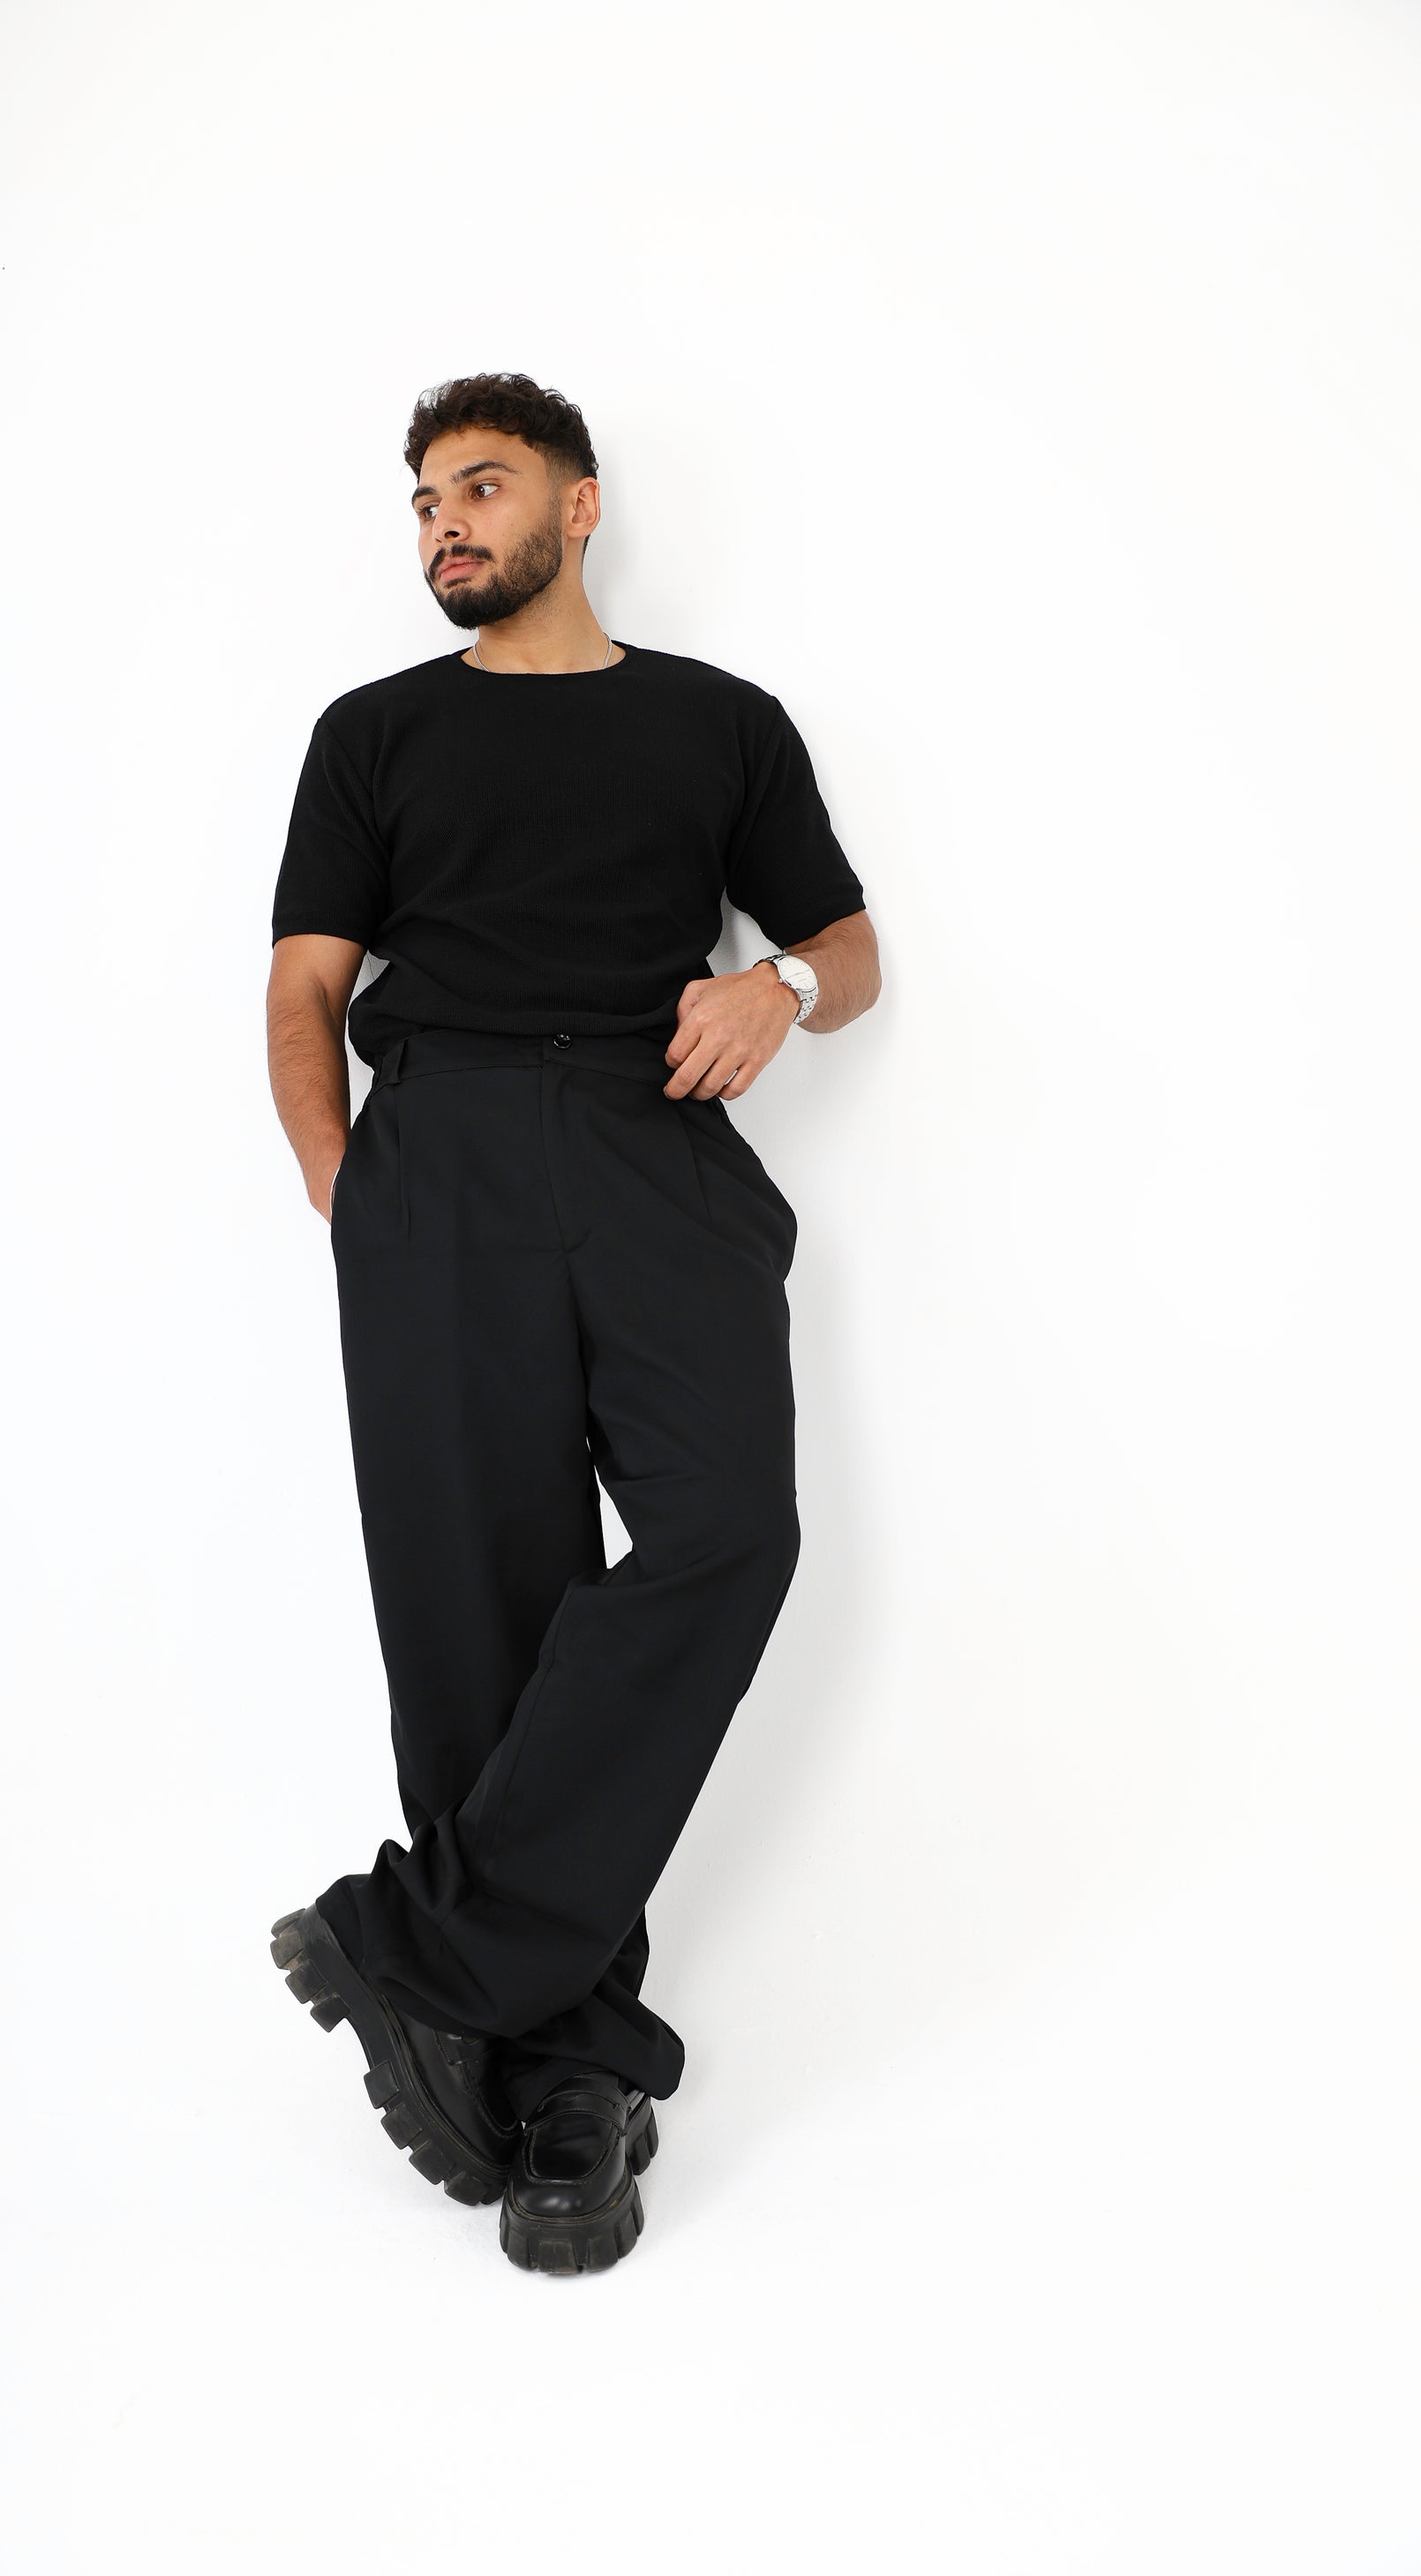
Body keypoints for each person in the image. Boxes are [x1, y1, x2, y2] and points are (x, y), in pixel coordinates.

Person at [264, 372, 881, 2273]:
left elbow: (850, 951)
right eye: (424, 499)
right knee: (479, 1606)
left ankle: (428, 1950)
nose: (445, 521)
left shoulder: (718, 721)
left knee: (727, 1527)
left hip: (651, 1135)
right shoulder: (374, 734)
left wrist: (775, 987)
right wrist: (352, 1190)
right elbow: (303, 987)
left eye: (481, 485)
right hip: (437, 1152)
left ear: (578, 504)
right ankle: (567, 2080)